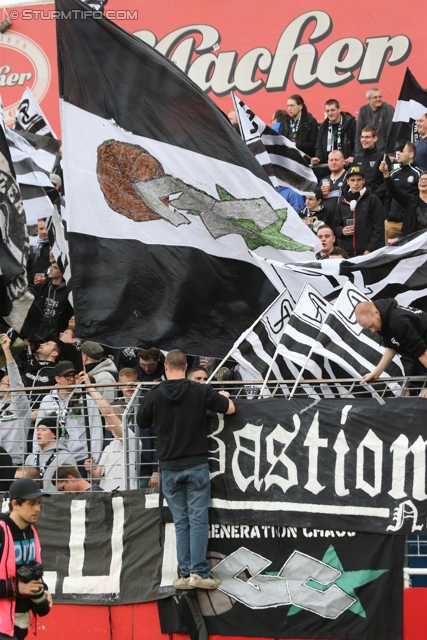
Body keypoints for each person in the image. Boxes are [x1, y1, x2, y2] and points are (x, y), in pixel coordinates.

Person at [137, 349, 235, 590]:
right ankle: (199, 573)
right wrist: (224, 395)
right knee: (198, 519)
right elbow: (230, 409)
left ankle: (183, 574)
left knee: (181, 522)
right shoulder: (200, 390)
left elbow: (141, 421)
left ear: (166, 367)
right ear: (185, 367)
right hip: (196, 464)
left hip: (168, 467)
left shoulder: (154, 394)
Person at [0, 478, 52, 639]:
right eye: (31, 504)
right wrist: (16, 588)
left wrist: (44, 589)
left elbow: (29, 571)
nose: (37, 509)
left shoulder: (32, 531)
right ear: (15, 504)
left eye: (39, 503)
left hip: (19, 624)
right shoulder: (1, 531)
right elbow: (18, 584)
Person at [34, 361, 104, 474]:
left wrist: (94, 459)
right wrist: (36, 457)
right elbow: (38, 430)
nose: (71, 379)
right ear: (57, 379)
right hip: (54, 458)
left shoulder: (86, 400)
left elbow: (96, 431)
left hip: (81, 458)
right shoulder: (47, 400)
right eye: (67, 376)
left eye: (73, 375)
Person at [80, 371, 139, 491]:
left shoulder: (129, 437)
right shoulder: (108, 447)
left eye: (110, 416)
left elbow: (106, 410)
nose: (105, 416)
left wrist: (89, 387)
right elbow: (96, 479)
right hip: (106, 497)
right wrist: (90, 469)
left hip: (124, 496)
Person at [356, 300, 427, 383]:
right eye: (368, 328)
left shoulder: (398, 322)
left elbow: (421, 352)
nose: (372, 330)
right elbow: (392, 346)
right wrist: (376, 373)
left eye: (372, 325)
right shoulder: (384, 320)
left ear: (376, 312)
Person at [114, 367, 157, 489]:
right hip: (120, 470)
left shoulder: (148, 406)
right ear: (119, 386)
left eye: (132, 383)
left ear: (138, 383)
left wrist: (156, 470)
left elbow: (157, 439)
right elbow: (109, 439)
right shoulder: (115, 407)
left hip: (145, 472)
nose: (129, 387)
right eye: (125, 384)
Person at [333, 167, 384, 257]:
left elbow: (378, 228)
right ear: (348, 181)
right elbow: (335, 226)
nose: (356, 183)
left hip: (366, 253)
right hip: (346, 253)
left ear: (363, 180)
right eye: (352, 180)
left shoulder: (372, 199)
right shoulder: (342, 201)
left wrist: (370, 249)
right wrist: (342, 231)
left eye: (359, 180)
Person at [0, 334, 31, 467]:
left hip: (14, 463)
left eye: (4, 383)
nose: (0, 385)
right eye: (1, 382)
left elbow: (16, 382)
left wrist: (7, 350)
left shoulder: (20, 406)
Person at [25, 417, 77, 493]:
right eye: (37, 430)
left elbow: (74, 485)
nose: (38, 433)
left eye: (43, 430)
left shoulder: (66, 457)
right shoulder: (30, 458)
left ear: (54, 434)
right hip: (33, 502)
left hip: (56, 503)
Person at [384, 142, 421, 241]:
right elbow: (387, 196)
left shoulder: (419, 173)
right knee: (391, 254)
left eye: (401, 151)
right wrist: (388, 215)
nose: (398, 153)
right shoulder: (392, 174)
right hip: (392, 222)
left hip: (411, 223)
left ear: (411, 154)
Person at [379, 162, 427, 236]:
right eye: (421, 179)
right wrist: (386, 174)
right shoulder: (411, 200)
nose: (423, 181)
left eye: (426, 179)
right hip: (411, 242)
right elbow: (395, 192)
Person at [33, 262, 73, 337]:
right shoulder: (43, 287)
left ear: (62, 273)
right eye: (51, 267)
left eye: (54, 268)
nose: (50, 269)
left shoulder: (67, 293)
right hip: (38, 331)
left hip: (55, 333)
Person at [312, 99, 356, 165]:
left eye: (333, 110)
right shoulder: (323, 126)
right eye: (327, 111)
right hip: (328, 166)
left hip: (347, 165)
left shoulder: (351, 123)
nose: (330, 113)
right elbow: (319, 146)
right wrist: (318, 158)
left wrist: (353, 157)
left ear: (339, 109)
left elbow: (357, 143)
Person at [352, 126, 389, 202]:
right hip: (359, 200)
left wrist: (374, 196)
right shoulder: (357, 158)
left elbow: (386, 181)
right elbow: (352, 178)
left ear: (375, 138)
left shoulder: (382, 157)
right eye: (362, 137)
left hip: (376, 200)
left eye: (367, 137)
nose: (364, 140)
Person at [355, 88, 395, 155]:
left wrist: (391, 154)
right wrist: (359, 154)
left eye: (380, 97)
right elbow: (359, 134)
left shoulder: (387, 108)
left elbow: (391, 133)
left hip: (383, 153)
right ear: (368, 100)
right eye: (375, 97)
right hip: (367, 153)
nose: (378, 99)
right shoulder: (363, 110)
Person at [278, 94, 318, 159]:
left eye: (292, 105)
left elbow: (314, 144)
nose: (289, 108)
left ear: (300, 106)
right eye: (288, 106)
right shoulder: (284, 124)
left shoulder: (310, 122)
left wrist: (296, 145)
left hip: (305, 161)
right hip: (289, 160)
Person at [27, 219, 50, 286]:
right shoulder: (32, 247)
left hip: (48, 285)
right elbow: (28, 267)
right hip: (33, 286)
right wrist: (30, 282)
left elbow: (55, 267)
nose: (44, 232)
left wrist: (46, 277)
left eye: (46, 229)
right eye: (41, 229)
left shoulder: (53, 246)